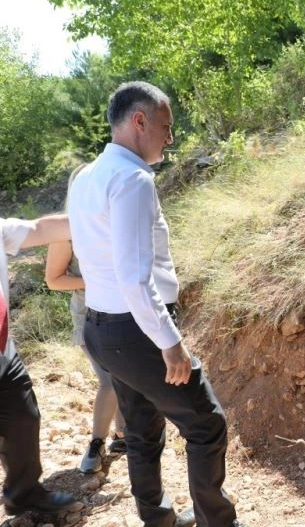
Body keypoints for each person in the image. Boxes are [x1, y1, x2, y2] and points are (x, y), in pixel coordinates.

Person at [67, 81, 242, 527]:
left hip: (100, 328)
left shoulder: (87, 176)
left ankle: (158, 519)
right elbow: (134, 278)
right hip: (138, 330)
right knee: (206, 425)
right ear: (139, 121)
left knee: (142, 431)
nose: (170, 137)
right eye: (166, 126)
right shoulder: (132, 179)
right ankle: (216, 523)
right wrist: (170, 342)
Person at [45, 166, 127, 475]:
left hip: (119, 311)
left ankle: (123, 435)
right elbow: (54, 280)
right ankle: (96, 443)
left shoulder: (109, 220)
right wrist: (95, 281)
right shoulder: (66, 228)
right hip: (88, 316)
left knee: (120, 377)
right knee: (109, 380)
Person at [1, 213, 77, 517]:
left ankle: (24, 495)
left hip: (4, 353)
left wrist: (93, 211)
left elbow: (39, 228)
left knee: (25, 420)